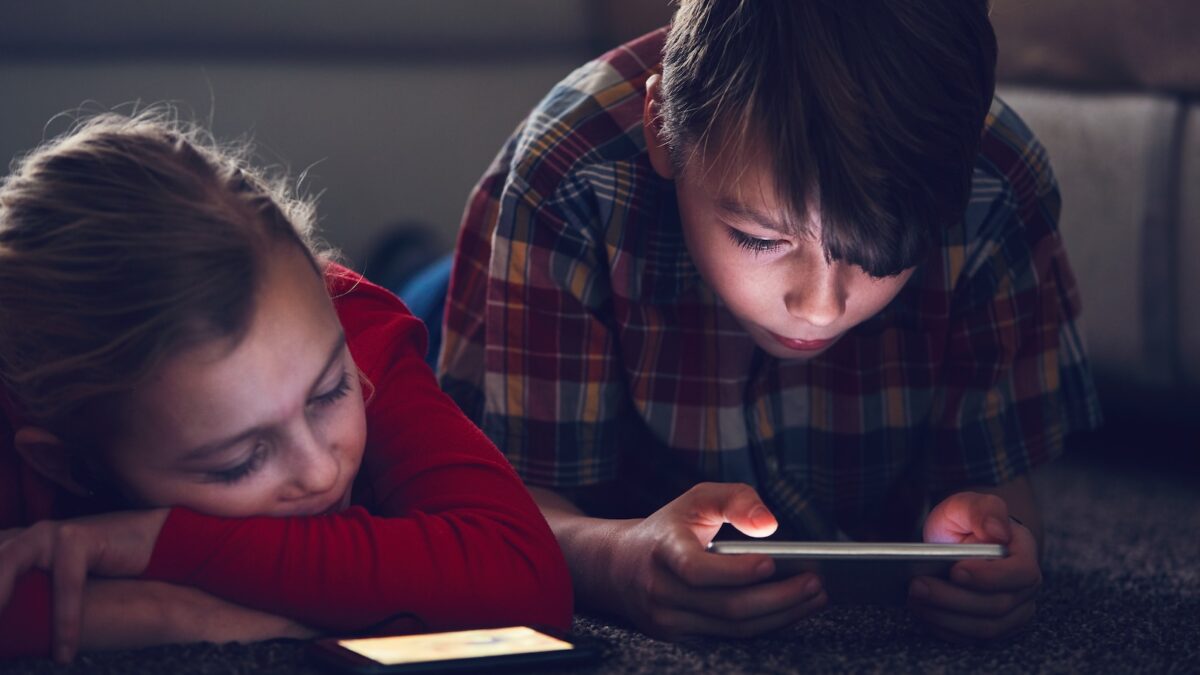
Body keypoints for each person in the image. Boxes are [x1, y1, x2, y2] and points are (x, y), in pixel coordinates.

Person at [439, 0, 1101, 642]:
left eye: (883, 256)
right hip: (497, 290)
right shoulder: (572, 175)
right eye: (758, 238)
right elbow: (506, 505)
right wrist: (614, 561)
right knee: (401, 325)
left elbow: (1001, 486)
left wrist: (991, 535)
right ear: (659, 122)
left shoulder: (997, 181)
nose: (819, 306)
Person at [0, 110, 572, 662]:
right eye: (239, 461)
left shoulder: (350, 325)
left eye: (329, 395)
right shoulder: (28, 422)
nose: (321, 472)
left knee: (435, 284)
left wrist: (167, 545)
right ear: (68, 465)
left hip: (402, 293)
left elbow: (523, 576)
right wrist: (164, 614)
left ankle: (405, 255)